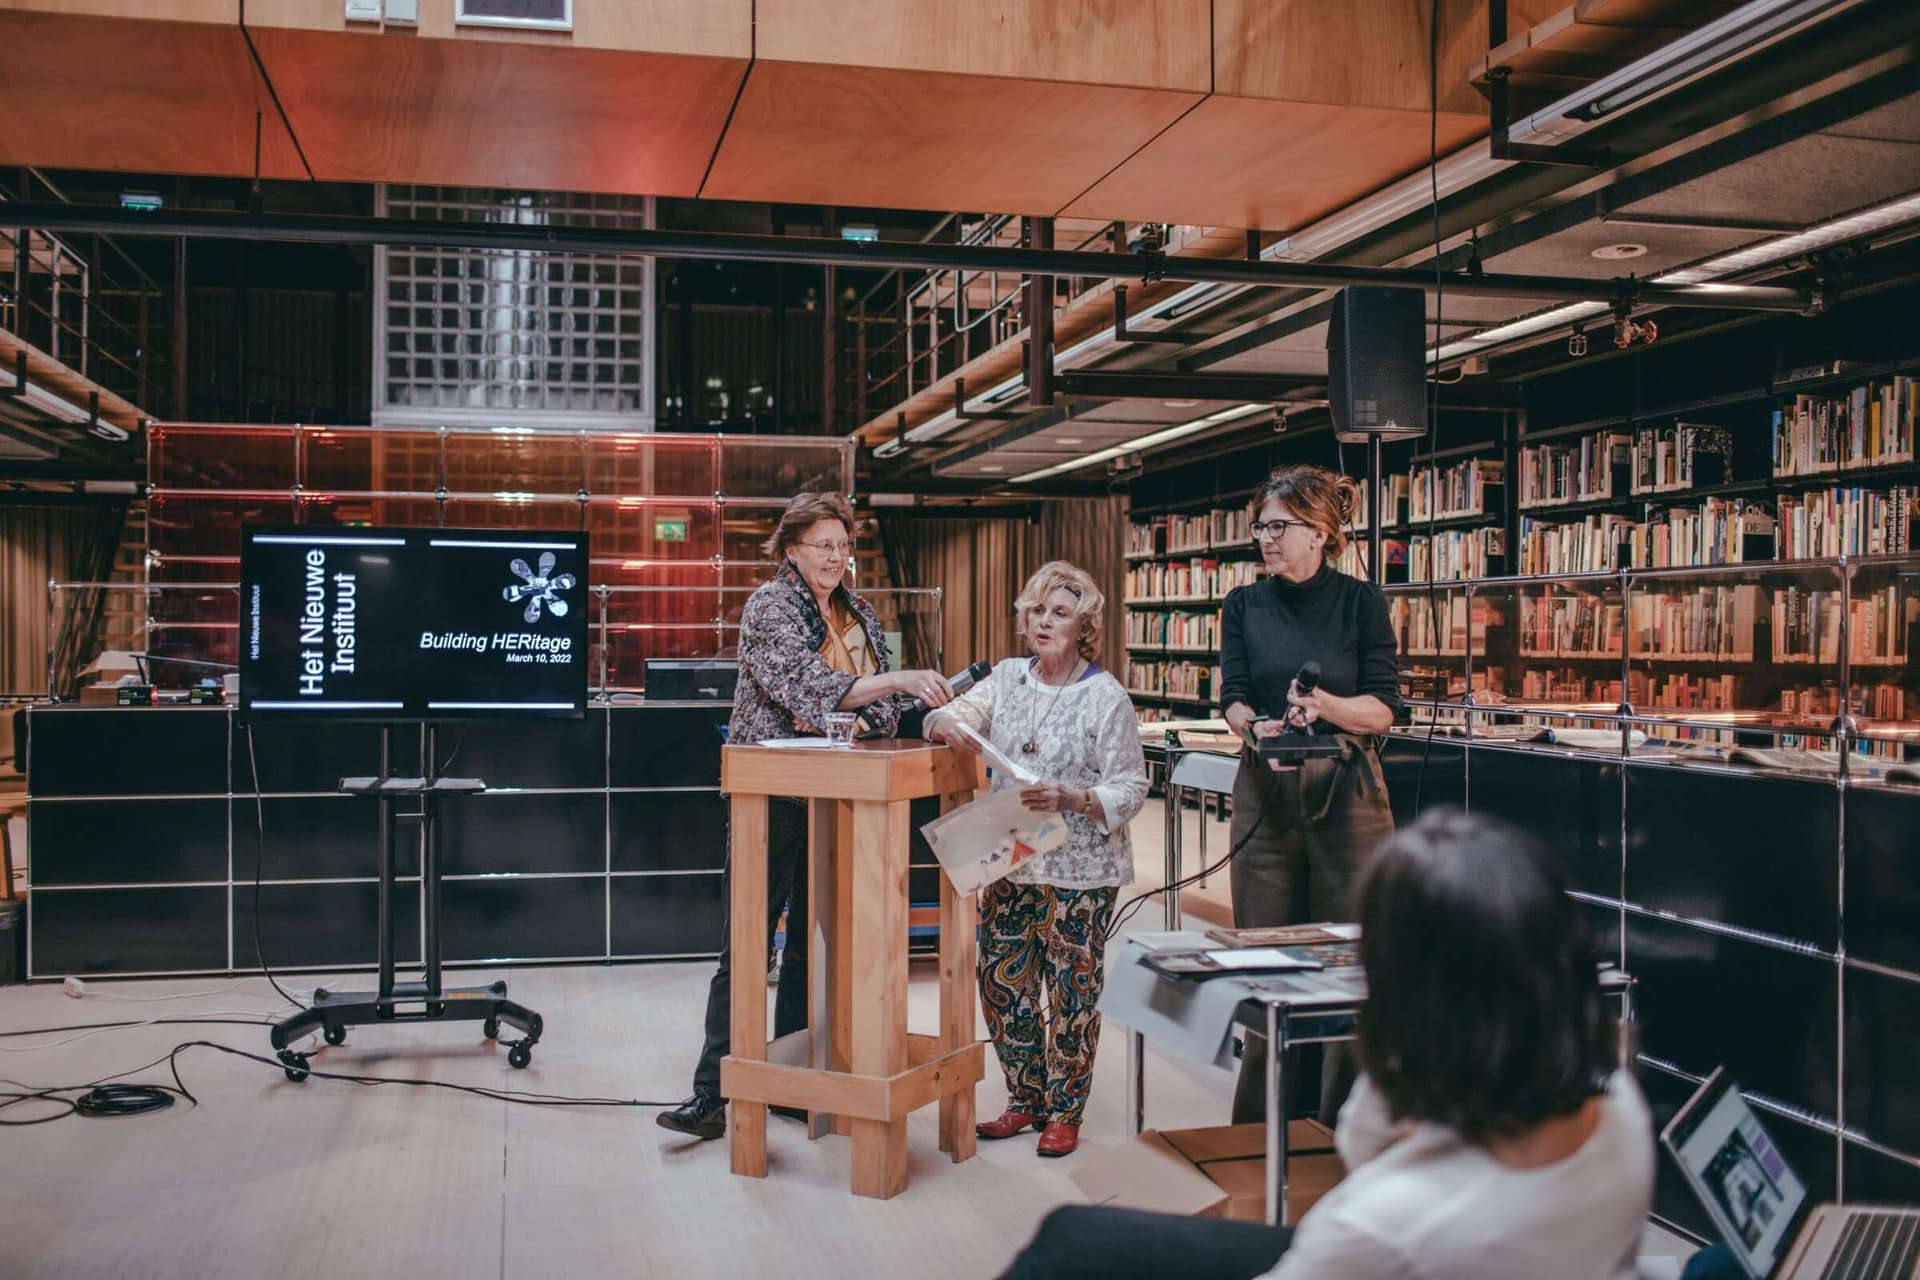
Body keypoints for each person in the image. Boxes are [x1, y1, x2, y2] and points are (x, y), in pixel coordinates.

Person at [999, 808, 1654, 1280]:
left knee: (1064, 1245)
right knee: (1074, 1234)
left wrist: (1395, 1054)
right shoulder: (1617, 1100)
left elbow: (1362, 1144)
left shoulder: (1384, 1224)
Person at [657, 490, 956, 1140]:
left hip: (838, 793)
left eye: (844, 547)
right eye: (825, 545)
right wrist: (895, 682)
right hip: (773, 793)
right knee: (748, 940)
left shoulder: (861, 612)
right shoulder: (770, 606)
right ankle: (713, 1094)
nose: (837, 558)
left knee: (808, 953)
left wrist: (888, 695)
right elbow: (806, 689)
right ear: (791, 547)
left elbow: (869, 713)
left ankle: (792, 1088)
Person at [924, 561, 1148, 1158]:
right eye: (1036, 610)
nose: (1044, 621)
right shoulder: (1005, 678)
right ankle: (1025, 1097)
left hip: (1081, 869)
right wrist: (951, 726)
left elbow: (1131, 786)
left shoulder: (1106, 696)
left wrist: (1074, 798)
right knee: (1002, 983)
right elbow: (943, 714)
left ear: (1083, 627)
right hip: (1012, 857)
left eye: (1060, 613)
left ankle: (1064, 1109)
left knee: (1071, 991)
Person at [1217, 462, 1399, 1124]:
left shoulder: (1361, 602)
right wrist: (1255, 724)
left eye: (1279, 526)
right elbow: (1232, 696)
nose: (1265, 538)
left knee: (1350, 964)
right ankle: (1262, 1134)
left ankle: (1341, 1130)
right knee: (1267, 962)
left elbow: (1382, 711)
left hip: (1349, 798)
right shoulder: (1242, 604)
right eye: (1259, 526)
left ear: (1320, 531)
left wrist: (1320, 705)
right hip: (1266, 794)